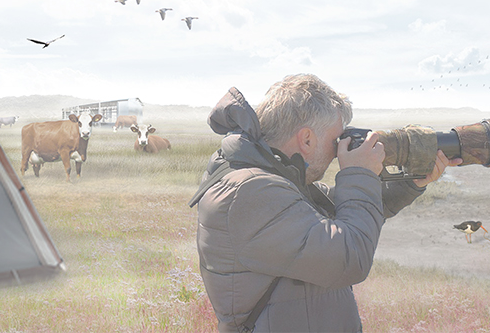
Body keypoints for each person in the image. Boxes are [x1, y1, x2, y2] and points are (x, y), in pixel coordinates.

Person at [192, 74, 460, 332]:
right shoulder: (249, 191)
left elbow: (340, 209)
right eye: (335, 141)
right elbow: (350, 256)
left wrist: (411, 183)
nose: (337, 152)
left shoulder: (271, 181)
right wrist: (360, 173)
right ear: (306, 139)